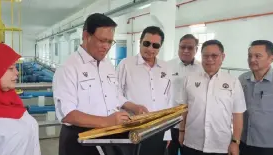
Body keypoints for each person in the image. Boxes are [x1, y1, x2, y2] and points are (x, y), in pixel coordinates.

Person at [53, 13, 146, 155]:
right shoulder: (68, 68)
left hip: (108, 137)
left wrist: (133, 107)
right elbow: (68, 114)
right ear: (86, 36)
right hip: (80, 140)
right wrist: (107, 121)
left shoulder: (107, 64)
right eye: (102, 40)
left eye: (110, 42)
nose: (106, 47)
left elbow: (115, 95)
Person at [177, 40, 246, 155]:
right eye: (206, 56)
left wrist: (235, 141)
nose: (209, 59)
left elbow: (237, 114)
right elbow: (183, 109)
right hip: (192, 143)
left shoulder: (233, 82)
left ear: (222, 57)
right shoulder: (189, 79)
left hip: (220, 145)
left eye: (214, 55)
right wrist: (181, 131)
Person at [116, 26, 171, 155]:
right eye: (146, 43)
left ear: (160, 47)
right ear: (140, 42)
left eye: (155, 45)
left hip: (158, 129)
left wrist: (167, 133)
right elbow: (114, 93)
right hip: (133, 129)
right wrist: (132, 106)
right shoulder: (126, 64)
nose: (150, 49)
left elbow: (167, 100)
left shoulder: (165, 68)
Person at [238, 40, 273, 155]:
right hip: (244, 142)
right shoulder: (242, 80)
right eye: (249, 56)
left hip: (271, 145)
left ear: (271, 58)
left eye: (258, 56)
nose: (252, 60)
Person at [166, 34, 203, 155]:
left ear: (196, 49)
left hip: (191, 124)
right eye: (182, 47)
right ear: (178, 48)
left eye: (190, 48)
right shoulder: (167, 66)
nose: (186, 50)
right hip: (170, 122)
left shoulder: (202, 69)